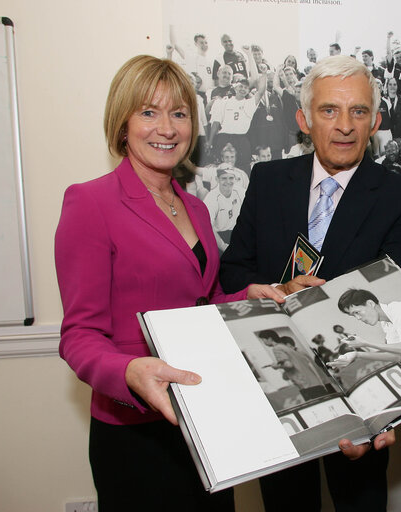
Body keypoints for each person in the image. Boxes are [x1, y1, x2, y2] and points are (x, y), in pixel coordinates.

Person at [54, 55, 285, 511]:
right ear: (122, 124)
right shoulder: (90, 202)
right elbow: (79, 335)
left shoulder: (194, 208)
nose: (167, 127)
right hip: (135, 430)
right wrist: (128, 372)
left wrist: (246, 297)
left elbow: (205, 302)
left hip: (205, 416)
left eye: (179, 113)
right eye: (148, 112)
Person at [220, 55, 401, 512]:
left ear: (376, 121)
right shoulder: (267, 182)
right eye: (329, 110)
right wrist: (278, 291)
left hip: (361, 388)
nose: (345, 125)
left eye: (359, 111)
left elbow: (393, 297)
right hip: (279, 379)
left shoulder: (398, 196)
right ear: (303, 119)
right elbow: (233, 274)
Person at [259, 329, 327, 400]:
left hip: (305, 385)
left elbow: (288, 365)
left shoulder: (276, 349)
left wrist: (276, 366)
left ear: (269, 338)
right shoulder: (286, 347)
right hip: (315, 382)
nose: (264, 342)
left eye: (263, 340)